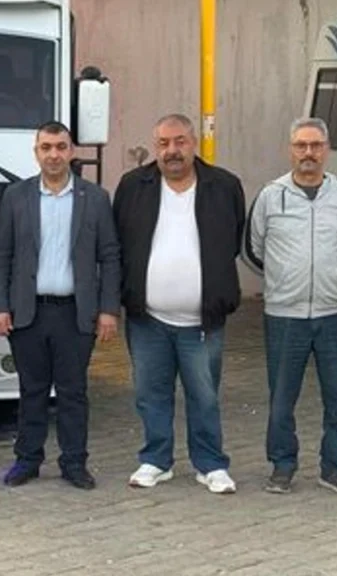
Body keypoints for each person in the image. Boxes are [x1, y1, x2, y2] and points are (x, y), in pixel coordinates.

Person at [113, 113, 246, 494]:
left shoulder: (224, 186)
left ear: (194, 143)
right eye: (163, 143)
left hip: (201, 321)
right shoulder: (133, 186)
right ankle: (156, 460)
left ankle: (211, 464)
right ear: (155, 147)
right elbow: (119, 241)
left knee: (204, 395)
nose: (172, 151)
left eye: (180, 142)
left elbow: (233, 239)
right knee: (150, 394)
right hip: (147, 319)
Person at [0, 121, 121, 490]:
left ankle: (74, 462)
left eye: (61, 147)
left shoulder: (95, 198)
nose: (53, 155)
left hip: (75, 313)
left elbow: (110, 256)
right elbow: (1, 255)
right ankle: (27, 460)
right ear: (36, 152)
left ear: (72, 151)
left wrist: (109, 309)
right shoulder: (16, 196)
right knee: (31, 390)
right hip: (28, 312)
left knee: (72, 392)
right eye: (46, 147)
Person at [243, 117, 337, 496]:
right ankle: (282, 466)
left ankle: (335, 468)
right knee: (282, 398)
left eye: (315, 145)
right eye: (301, 145)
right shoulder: (270, 196)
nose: (308, 153)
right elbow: (254, 249)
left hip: (335, 313)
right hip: (285, 315)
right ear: (290, 150)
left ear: (326, 150)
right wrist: (285, 280)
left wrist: (332, 277)